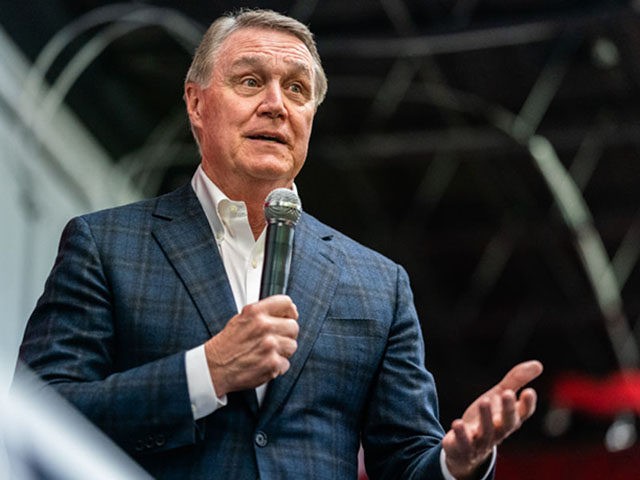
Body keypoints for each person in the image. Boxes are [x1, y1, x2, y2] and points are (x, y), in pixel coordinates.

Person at [17, 8, 542, 480]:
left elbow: (405, 460)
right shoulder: (106, 244)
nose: (276, 105)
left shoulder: (379, 286)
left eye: (296, 90)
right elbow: (36, 413)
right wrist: (206, 372)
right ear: (197, 104)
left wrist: (457, 465)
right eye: (250, 81)